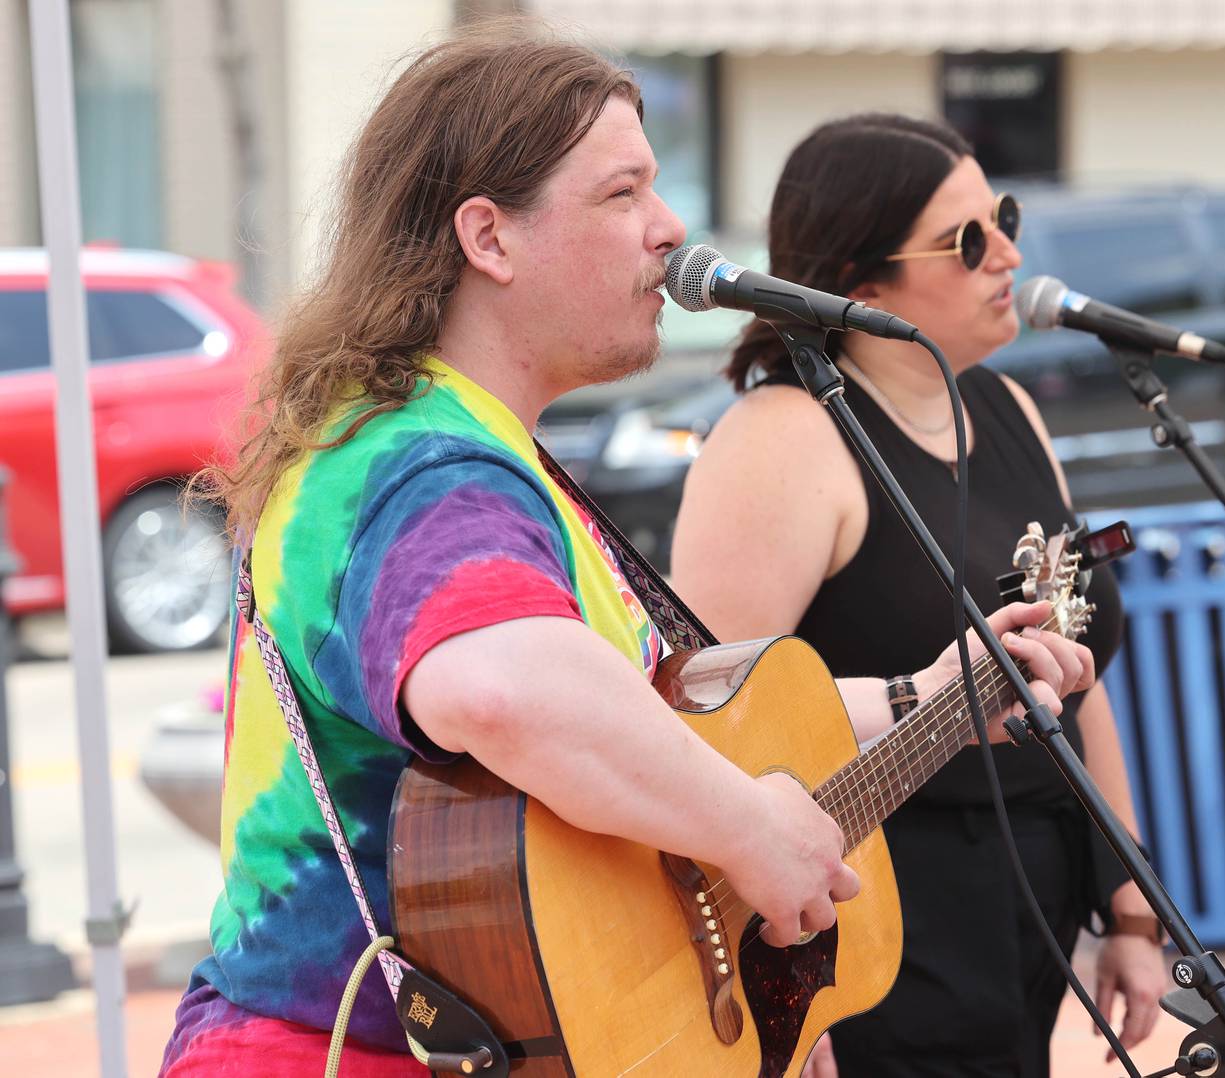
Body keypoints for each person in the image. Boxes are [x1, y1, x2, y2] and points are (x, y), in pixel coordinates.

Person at [159, 29, 1094, 1077]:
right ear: (490, 238)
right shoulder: (414, 464)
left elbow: (676, 719)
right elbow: (508, 692)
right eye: (623, 193)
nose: (670, 227)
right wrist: (748, 830)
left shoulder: (485, 452)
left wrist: (933, 696)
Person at [671, 114, 1169, 1078]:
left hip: (1028, 894)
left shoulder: (1005, 407)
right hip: (868, 916)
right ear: (861, 286)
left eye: (1005, 217)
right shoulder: (781, 442)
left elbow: (1075, 673)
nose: (1009, 255)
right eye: (969, 239)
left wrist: (1132, 909)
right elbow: (714, 731)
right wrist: (789, 996)